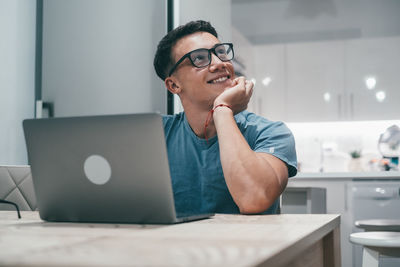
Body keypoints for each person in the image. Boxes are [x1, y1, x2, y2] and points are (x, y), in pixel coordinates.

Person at [153, 20, 297, 215]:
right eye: (200, 58)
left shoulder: (270, 132)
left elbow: (254, 199)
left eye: (220, 52)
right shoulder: (156, 135)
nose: (220, 63)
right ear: (174, 86)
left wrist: (222, 109)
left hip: (253, 245)